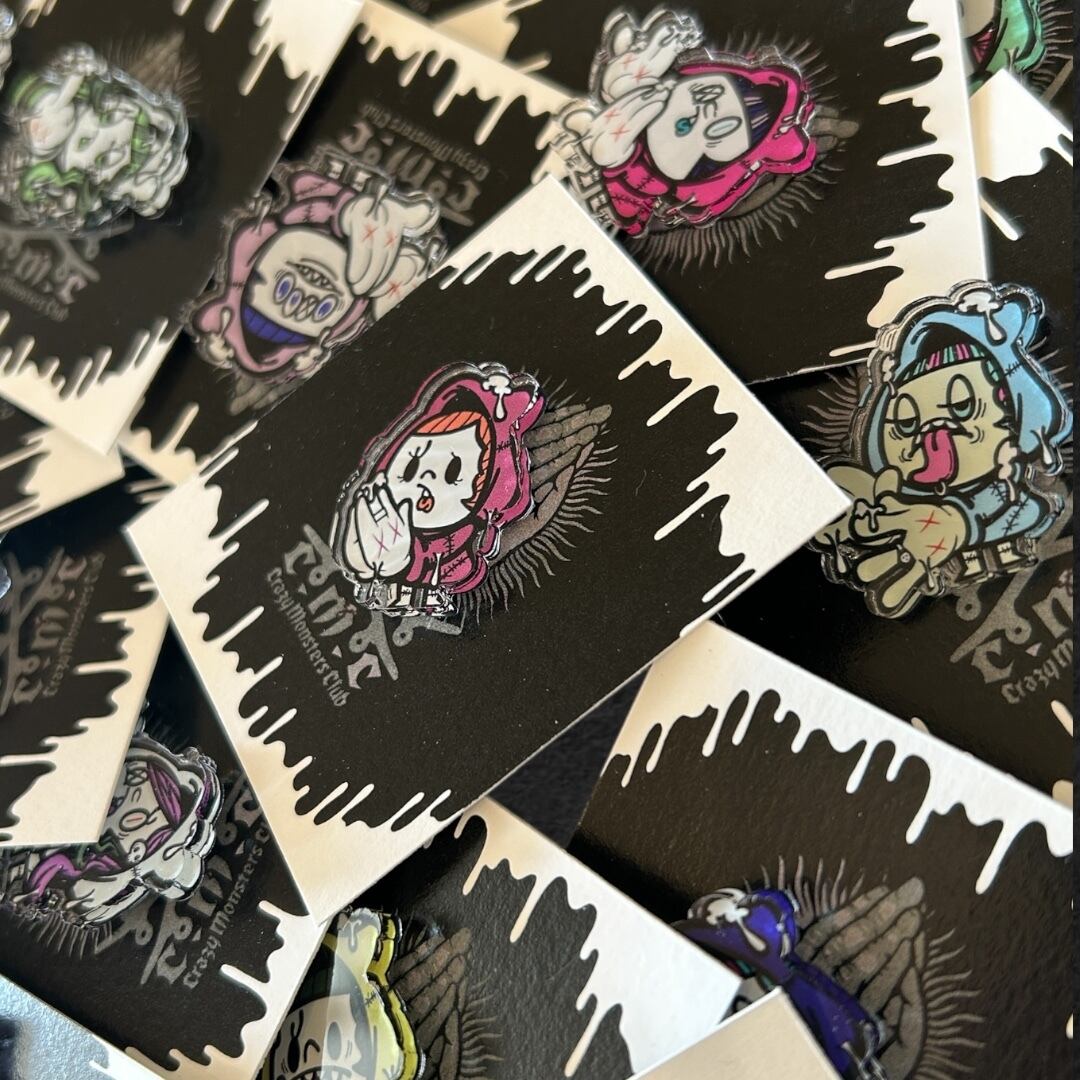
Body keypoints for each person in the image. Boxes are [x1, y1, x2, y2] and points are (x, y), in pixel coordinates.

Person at [332, 363, 544, 616]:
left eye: (453, 473)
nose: (425, 479)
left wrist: (402, 562)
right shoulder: (368, 510)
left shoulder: (454, 551)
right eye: (410, 466)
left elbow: (442, 572)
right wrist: (362, 556)